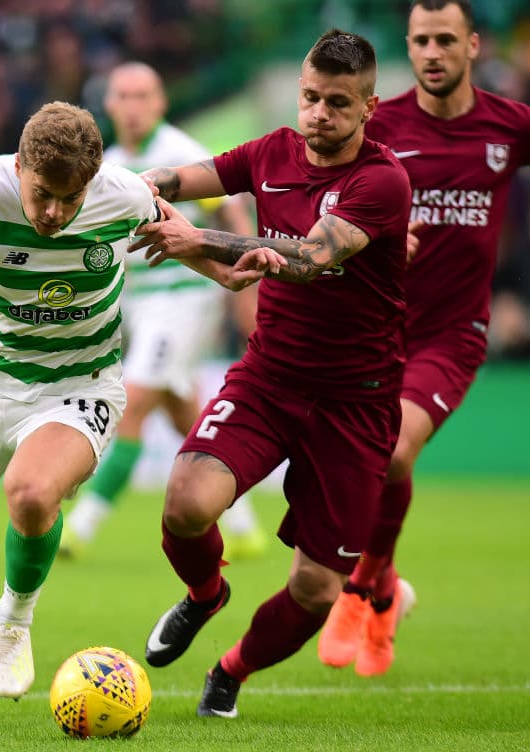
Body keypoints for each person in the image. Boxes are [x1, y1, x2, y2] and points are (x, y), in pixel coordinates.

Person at [0, 101, 273, 718]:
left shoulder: (122, 194)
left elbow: (176, 231)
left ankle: (13, 623)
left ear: (91, 185)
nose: (53, 213)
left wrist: (222, 273)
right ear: (19, 167)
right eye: (42, 194)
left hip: (81, 385)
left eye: (70, 200)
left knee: (32, 493)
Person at [132, 30, 412, 718]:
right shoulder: (271, 153)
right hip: (268, 380)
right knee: (185, 504)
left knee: (316, 590)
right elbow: (186, 178)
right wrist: (132, 188)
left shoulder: (382, 181)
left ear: (370, 106)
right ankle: (205, 596)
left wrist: (201, 239)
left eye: (339, 103)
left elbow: (313, 255)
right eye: (312, 97)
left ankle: (231, 670)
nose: (320, 113)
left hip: (357, 403)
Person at [317, 0, 530, 677]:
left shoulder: (516, 126)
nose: (432, 52)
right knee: (366, 465)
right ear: (408, 45)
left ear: (472, 45)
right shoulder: (382, 124)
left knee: (394, 450)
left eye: (445, 40)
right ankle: (389, 590)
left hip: (454, 333)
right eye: (421, 40)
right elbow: (327, 198)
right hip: (371, 328)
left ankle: (363, 588)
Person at [60, 61, 266, 561]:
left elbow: (231, 211)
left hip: (186, 300)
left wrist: (244, 292)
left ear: (160, 102)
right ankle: (245, 527)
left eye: (142, 96)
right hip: (141, 306)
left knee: (131, 405)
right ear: (108, 105)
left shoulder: (179, 152)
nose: (133, 107)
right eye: (123, 96)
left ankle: (78, 528)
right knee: (183, 418)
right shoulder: (111, 163)